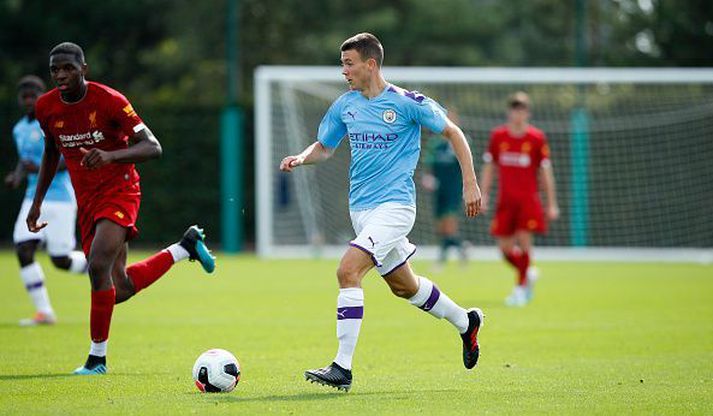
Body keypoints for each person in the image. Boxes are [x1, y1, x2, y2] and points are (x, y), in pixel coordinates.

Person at [280, 33, 484, 392]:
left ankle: (342, 367)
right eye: (343, 64)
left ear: (370, 64)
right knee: (405, 287)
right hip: (362, 210)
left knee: (347, 271)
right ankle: (466, 322)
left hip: (395, 208)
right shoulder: (346, 106)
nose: (344, 71)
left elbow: (454, 132)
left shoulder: (407, 103)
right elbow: (325, 147)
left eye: (349, 63)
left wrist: (470, 182)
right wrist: (301, 158)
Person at [29, 42, 216, 375]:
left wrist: (110, 156)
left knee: (97, 266)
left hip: (120, 191)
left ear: (83, 69)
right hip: (86, 201)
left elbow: (153, 147)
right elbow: (50, 153)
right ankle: (184, 248)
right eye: (55, 69)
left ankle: (96, 359)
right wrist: (36, 202)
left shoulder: (110, 101)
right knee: (119, 288)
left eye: (68, 68)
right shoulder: (46, 107)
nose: (61, 74)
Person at [4, 75, 87, 326]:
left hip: (60, 199)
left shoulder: (52, 122)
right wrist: (18, 175)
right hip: (34, 198)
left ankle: (103, 266)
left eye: (34, 96)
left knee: (60, 260)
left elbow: (64, 159)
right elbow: (25, 159)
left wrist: (34, 168)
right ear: (20, 100)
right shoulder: (18, 129)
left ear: (43, 96)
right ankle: (44, 312)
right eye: (25, 96)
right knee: (23, 249)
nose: (29, 100)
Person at [480, 92, 559, 307]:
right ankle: (528, 273)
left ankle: (520, 289)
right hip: (505, 201)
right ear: (509, 111)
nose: (518, 112)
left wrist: (551, 203)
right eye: (515, 108)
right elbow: (489, 168)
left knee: (524, 243)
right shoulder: (498, 137)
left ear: (528, 112)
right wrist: (483, 194)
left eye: (522, 108)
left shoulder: (536, 138)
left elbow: (545, 172)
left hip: (527, 201)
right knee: (505, 249)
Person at [421, 110, 470, 270]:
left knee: (449, 224)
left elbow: (467, 166)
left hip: (454, 189)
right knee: (440, 227)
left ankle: (442, 260)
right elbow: (429, 165)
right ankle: (462, 247)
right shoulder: (435, 144)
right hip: (439, 190)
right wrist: (427, 178)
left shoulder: (460, 141)